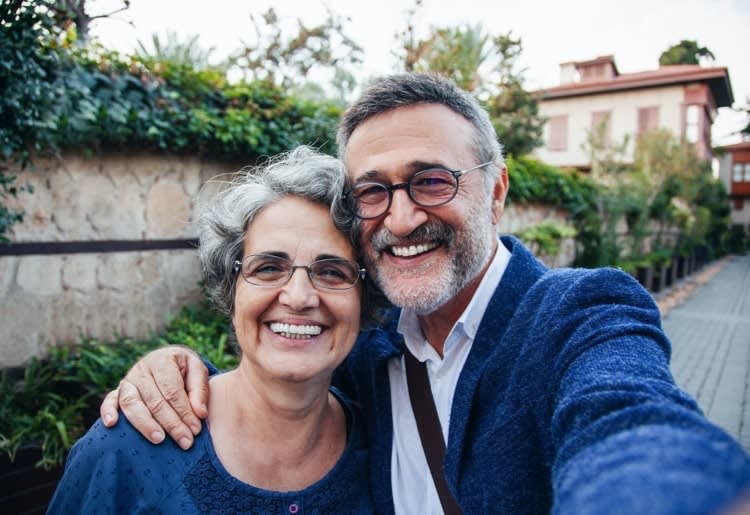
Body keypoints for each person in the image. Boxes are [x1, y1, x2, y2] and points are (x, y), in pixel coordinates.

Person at [100, 74, 750, 514]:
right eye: (373, 191)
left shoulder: (579, 314)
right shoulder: (368, 348)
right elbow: (279, 373)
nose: (404, 217)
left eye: (432, 181)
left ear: (496, 191)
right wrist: (177, 369)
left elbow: (626, 420)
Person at [48, 146, 383, 514]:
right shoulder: (125, 450)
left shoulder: (386, 444)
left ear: (363, 297)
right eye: (268, 268)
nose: (299, 297)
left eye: (332, 272)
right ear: (231, 287)